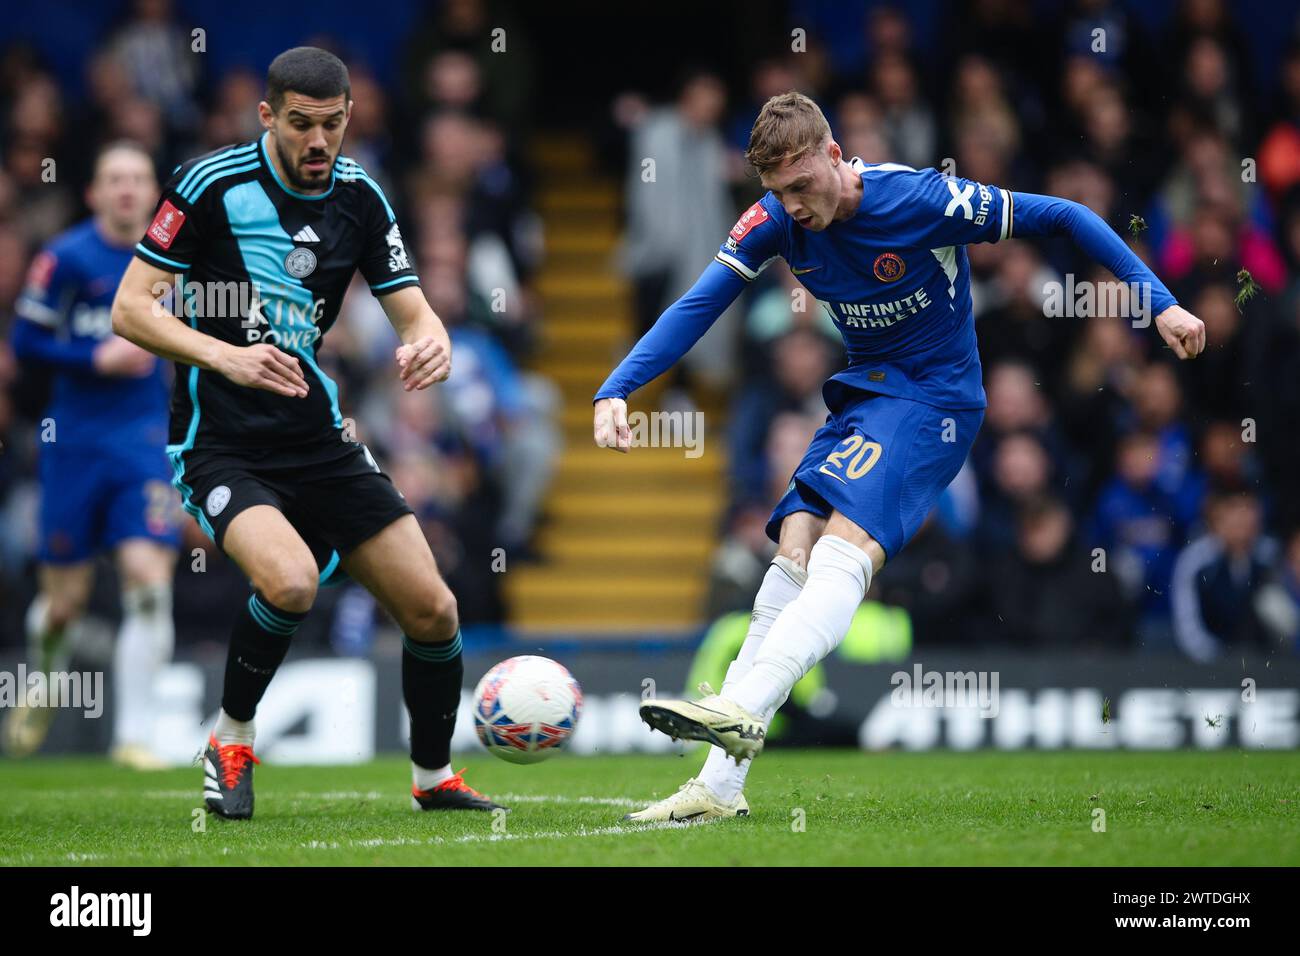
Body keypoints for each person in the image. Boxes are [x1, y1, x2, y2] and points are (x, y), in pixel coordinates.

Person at [593, 91, 1205, 822]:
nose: (792, 206)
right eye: (776, 193)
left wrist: (1158, 301)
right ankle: (719, 788)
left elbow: (1066, 217)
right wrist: (617, 387)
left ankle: (740, 703)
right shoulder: (772, 224)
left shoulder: (921, 198)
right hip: (864, 395)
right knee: (792, 543)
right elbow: (698, 304)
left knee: (839, 549)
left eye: (801, 186)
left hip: (936, 402)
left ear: (832, 154)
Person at [110, 47, 503, 820]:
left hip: (317, 436)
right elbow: (133, 309)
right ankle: (230, 738)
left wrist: (434, 341)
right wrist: (229, 355)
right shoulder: (208, 186)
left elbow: (415, 311)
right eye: (300, 125)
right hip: (219, 440)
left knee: (433, 609)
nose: (318, 140)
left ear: (349, 115)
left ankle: (433, 779)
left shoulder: (361, 197)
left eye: (332, 123)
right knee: (287, 580)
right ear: (268, 117)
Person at [3, 141, 179, 770]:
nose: (127, 189)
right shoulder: (66, 257)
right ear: (94, 193)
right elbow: (24, 341)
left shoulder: (172, 261)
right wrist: (94, 357)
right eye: (115, 179)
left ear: (154, 188)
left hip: (141, 444)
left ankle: (134, 736)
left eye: (138, 177)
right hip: (72, 444)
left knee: (149, 584)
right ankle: (47, 677)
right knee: (64, 603)